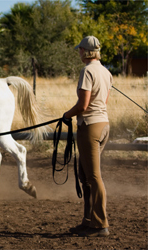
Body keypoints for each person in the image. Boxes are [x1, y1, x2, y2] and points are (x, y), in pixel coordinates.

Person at [63, 36, 113, 237]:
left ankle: (100, 224)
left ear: (86, 51)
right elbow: (104, 101)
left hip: (90, 126)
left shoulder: (87, 71)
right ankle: (89, 221)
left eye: (80, 50)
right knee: (85, 176)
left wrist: (66, 115)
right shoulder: (106, 72)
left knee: (93, 177)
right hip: (103, 125)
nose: (79, 52)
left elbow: (83, 105)